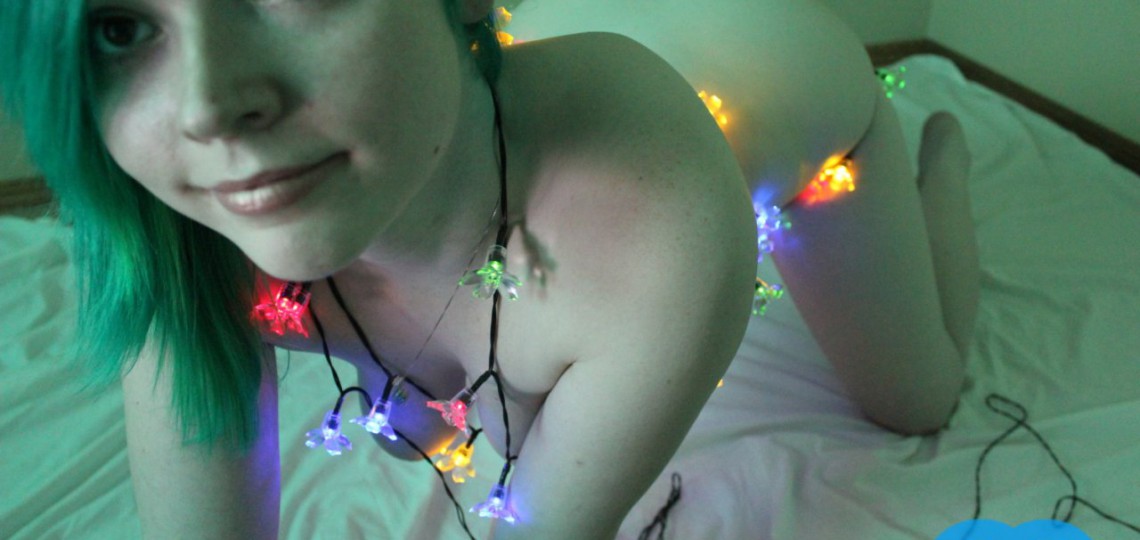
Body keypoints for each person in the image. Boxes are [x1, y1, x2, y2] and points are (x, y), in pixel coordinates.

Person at [0, 0, 977, 538]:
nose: (206, 108)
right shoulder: (170, 231)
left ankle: (942, 171)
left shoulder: (657, 206)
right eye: (121, 27)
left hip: (790, 72)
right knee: (435, 418)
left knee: (918, 400)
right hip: (516, 61)